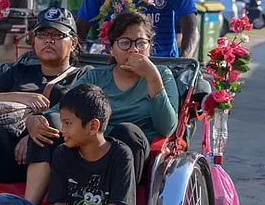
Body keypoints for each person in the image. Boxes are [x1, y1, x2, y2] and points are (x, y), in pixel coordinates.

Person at [27, 11, 178, 190]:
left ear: (150, 46)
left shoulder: (162, 76)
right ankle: (37, 202)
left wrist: (152, 78)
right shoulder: (96, 77)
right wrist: (34, 120)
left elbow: (167, 127)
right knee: (50, 124)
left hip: (134, 156)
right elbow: (61, 110)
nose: (133, 49)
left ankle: (116, 203)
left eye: (141, 43)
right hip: (89, 150)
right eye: (124, 43)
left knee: (126, 131)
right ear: (111, 49)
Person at [0, 7, 86, 205]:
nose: (48, 40)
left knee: (48, 122)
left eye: (57, 35)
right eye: (42, 35)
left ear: (73, 43)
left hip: (57, 160)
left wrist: (32, 127)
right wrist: (20, 96)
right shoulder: (20, 71)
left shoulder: (84, 76)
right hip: (8, 156)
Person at [0, 84, 141, 205]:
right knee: (2, 202)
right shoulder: (63, 153)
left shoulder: (120, 154)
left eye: (68, 123)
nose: (62, 130)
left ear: (93, 126)